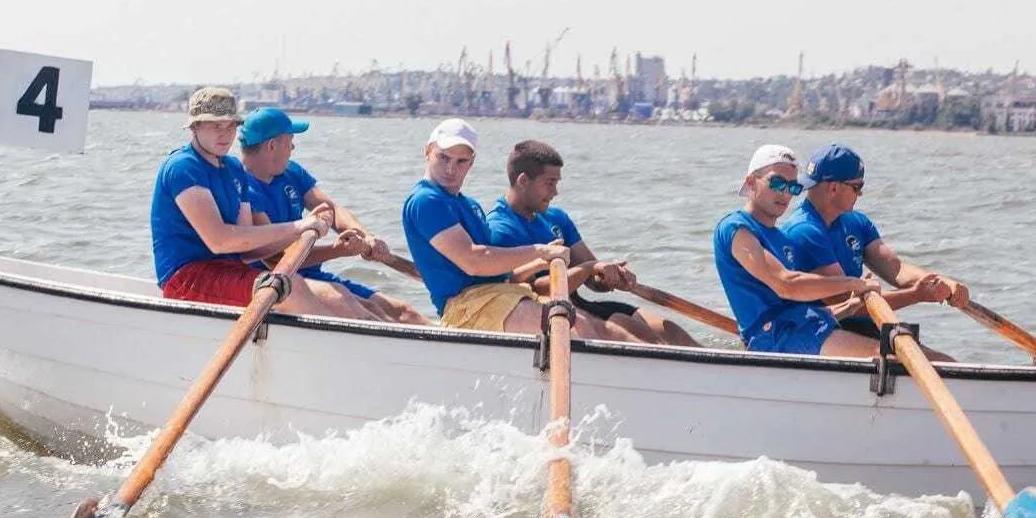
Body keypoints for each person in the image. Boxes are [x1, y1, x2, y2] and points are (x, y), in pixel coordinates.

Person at [401, 118, 625, 339]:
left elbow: (505, 275)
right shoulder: (426, 200)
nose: (450, 168)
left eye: (461, 161)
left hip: (500, 294)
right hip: (466, 307)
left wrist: (541, 261)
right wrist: (540, 251)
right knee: (574, 328)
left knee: (595, 326)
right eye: (443, 157)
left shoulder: (470, 205)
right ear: (428, 152)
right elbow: (474, 262)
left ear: (471, 162)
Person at [486, 140, 698, 346]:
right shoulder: (500, 229)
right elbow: (534, 289)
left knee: (669, 330)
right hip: (551, 312)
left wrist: (611, 275)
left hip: (580, 303)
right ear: (523, 181)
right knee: (629, 327)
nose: (555, 192)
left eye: (557, 183)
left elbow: (594, 280)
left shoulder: (557, 217)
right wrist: (588, 269)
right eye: (549, 183)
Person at [150, 87, 340, 314]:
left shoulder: (233, 168)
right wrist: (299, 226)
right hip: (187, 278)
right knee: (293, 288)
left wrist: (302, 232)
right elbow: (219, 241)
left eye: (231, 125)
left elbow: (249, 251)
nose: (225, 134)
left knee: (308, 289)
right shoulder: (183, 167)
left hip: (229, 270)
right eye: (215, 125)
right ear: (195, 127)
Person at [238, 107, 428, 324]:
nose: (292, 147)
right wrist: (338, 251)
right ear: (272, 145)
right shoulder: (245, 190)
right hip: (280, 280)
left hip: (312, 274)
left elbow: (332, 209)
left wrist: (365, 237)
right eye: (288, 140)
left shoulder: (291, 172)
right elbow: (279, 258)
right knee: (365, 312)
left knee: (405, 312)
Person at [781, 143, 968, 348]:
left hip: (857, 326)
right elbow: (846, 301)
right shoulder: (804, 231)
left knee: (945, 362)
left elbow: (896, 270)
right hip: (822, 329)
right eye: (857, 188)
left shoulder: (856, 222)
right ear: (834, 188)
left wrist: (940, 282)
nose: (860, 195)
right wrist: (917, 295)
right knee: (943, 363)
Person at [713, 144, 886, 357]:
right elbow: (786, 284)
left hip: (800, 328)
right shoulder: (736, 228)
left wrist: (848, 306)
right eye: (776, 182)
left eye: (793, 187)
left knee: (893, 350)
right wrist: (854, 283)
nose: (785, 193)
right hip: (775, 338)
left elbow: (792, 306)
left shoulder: (781, 239)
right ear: (750, 182)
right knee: (887, 357)